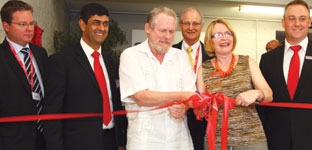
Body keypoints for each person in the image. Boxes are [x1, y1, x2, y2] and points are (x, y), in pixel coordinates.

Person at [43, 3, 127, 150]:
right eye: (96, 23)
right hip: (77, 143)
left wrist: (120, 142)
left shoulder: (110, 61)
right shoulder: (61, 61)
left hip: (110, 141)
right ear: (82, 25)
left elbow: (115, 102)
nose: (102, 28)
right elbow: (52, 113)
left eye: (105, 24)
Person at [119, 7, 196, 150]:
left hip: (179, 142)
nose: (167, 36)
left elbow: (192, 97)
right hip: (145, 142)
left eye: (171, 32)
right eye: (162, 30)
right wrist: (182, 96)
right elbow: (142, 97)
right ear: (148, 28)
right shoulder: (130, 56)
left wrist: (184, 106)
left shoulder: (182, 57)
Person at [196, 19, 273, 150]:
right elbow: (200, 111)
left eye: (228, 33)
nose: (224, 38)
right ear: (210, 40)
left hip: (252, 141)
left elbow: (269, 95)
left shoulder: (248, 62)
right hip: (216, 142)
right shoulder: (203, 69)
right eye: (219, 35)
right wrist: (202, 106)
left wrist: (257, 93)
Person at [259, 0, 312, 150]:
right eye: (291, 18)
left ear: (309, 22)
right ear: (283, 22)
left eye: (302, 19)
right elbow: (263, 105)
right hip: (276, 137)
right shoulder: (267, 59)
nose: (297, 23)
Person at [0, 1, 48, 150]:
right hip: (12, 141)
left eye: (31, 23)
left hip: (43, 138)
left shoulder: (41, 53)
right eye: (22, 24)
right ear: (6, 26)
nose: (29, 29)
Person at [172, 8, 212, 150]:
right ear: (180, 25)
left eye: (195, 24)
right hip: (174, 116)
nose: (191, 28)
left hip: (204, 119)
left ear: (201, 26)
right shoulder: (169, 53)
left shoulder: (213, 55)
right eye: (186, 23)